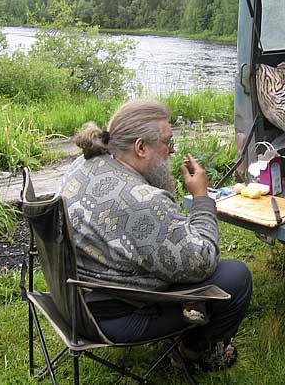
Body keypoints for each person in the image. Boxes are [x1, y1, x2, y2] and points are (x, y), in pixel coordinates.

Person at [59, 98, 252, 369]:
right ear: (140, 147)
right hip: (115, 317)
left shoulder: (84, 164)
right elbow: (203, 261)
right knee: (235, 278)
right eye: (168, 143)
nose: (172, 152)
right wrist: (201, 198)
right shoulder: (143, 201)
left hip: (70, 303)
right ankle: (193, 353)